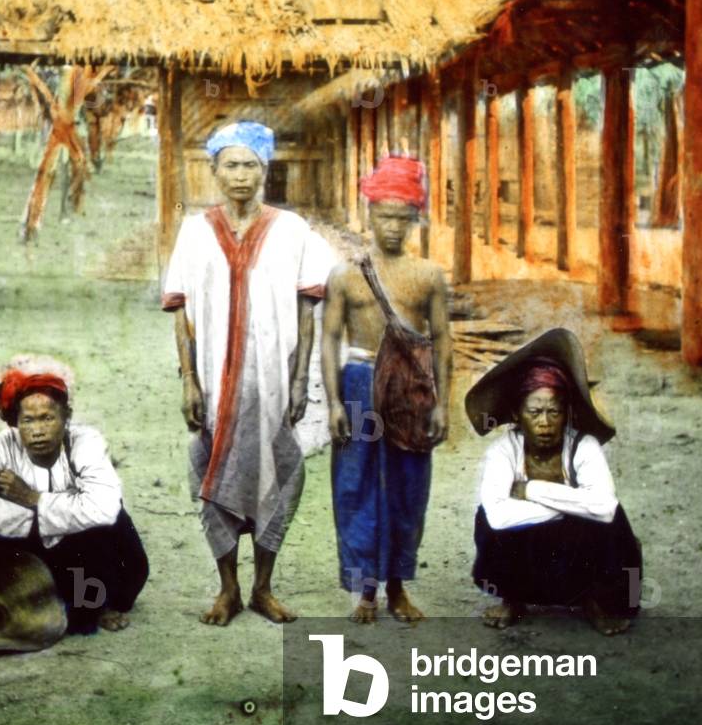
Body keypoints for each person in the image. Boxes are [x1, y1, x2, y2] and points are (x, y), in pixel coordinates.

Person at [162, 120, 334, 625]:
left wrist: (301, 380)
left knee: (280, 474)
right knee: (210, 474)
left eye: (251, 165)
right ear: (214, 170)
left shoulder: (292, 230)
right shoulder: (195, 232)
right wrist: (190, 380)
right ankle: (228, 589)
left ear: (266, 170)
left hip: (272, 386)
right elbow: (181, 312)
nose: (241, 175)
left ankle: (263, 586)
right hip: (216, 387)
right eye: (231, 165)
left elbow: (308, 310)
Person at [321, 155, 451, 623]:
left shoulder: (429, 276)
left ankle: (397, 587)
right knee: (356, 486)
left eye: (403, 217)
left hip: (411, 394)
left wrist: (442, 404)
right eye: (385, 215)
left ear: (416, 219)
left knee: (407, 488)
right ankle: (365, 590)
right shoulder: (345, 276)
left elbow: (441, 341)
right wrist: (334, 402)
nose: (393, 227)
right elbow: (331, 338)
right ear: (368, 214)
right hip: (359, 384)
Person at [0, 357, 149, 635]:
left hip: (84, 553)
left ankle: (101, 603)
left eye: (47, 418)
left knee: (111, 523)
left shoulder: (85, 442)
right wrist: (37, 519)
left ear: (66, 417)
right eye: (28, 420)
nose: (38, 430)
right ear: (15, 423)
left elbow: (104, 508)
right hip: (30, 552)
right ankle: (21, 599)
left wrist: (35, 499)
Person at [465, 328, 642, 636]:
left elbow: (603, 507)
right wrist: (572, 505)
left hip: (576, 557)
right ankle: (513, 598)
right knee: (486, 520)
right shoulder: (504, 451)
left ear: (567, 414)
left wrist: (531, 490)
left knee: (614, 521)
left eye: (554, 412)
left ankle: (593, 601)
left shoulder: (583, 447)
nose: (544, 422)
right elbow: (498, 514)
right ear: (518, 415)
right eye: (534, 412)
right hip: (529, 556)